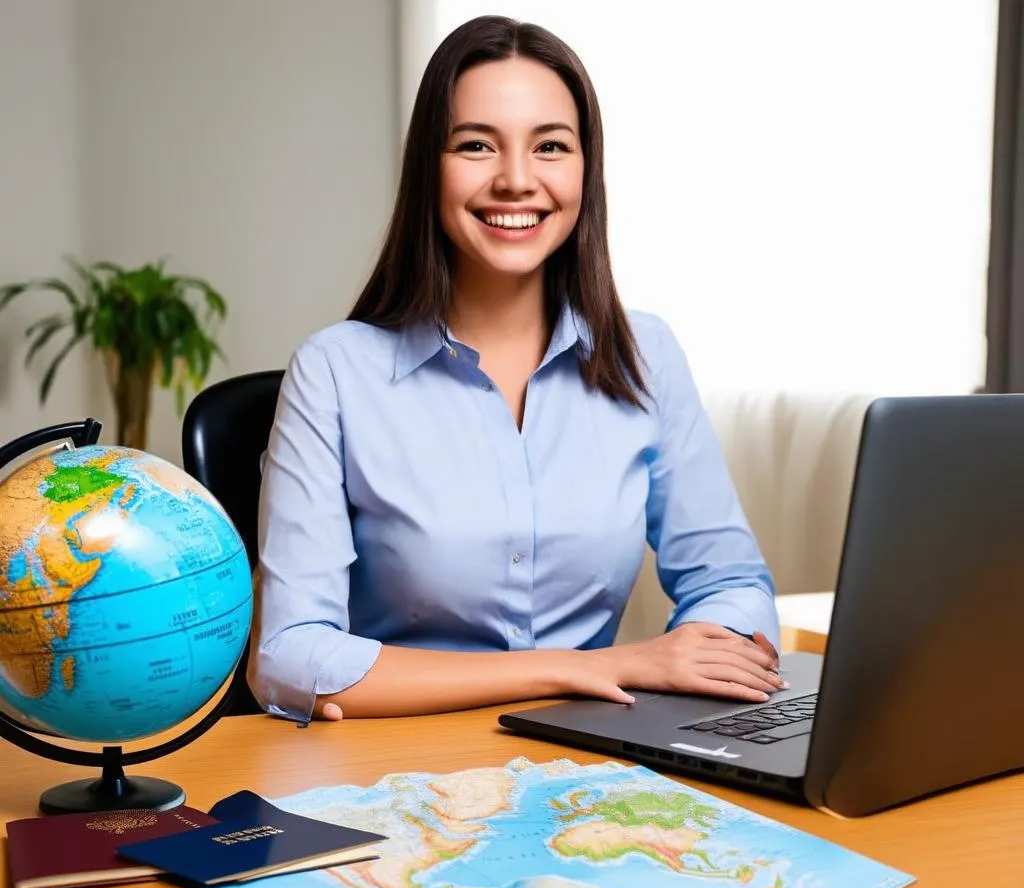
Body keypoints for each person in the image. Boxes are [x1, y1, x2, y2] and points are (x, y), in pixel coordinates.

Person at [249, 15, 782, 723]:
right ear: (427, 167)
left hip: (590, 762)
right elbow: (289, 657)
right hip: (397, 772)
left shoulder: (646, 355)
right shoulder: (334, 372)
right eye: (476, 145)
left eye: (551, 147)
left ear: (585, 168)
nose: (516, 180)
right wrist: (592, 667)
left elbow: (732, 580)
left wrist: (718, 646)